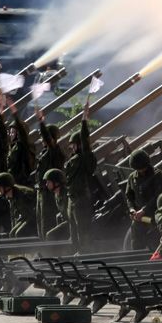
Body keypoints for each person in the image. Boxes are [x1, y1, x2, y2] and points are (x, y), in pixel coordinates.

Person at [64, 101, 95, 251]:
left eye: (75, 144)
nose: (72, 147)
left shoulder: (86, 157)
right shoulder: (74, 159)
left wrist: (84, 119)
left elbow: (85, 140)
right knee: (73, 230)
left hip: (81, 199)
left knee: (83, 230)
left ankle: (84, 253)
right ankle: (75, 251)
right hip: (73, 198)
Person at [34, 108, 65, 238]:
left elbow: (48, 139)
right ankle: (42, 248)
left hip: (49, 192)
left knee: (47, 222)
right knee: (40, 221)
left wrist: (41, 122)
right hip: (42, 191)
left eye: (44, 137)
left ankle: (48, 250)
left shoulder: (55, 152)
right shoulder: (46, 152)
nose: (42, 139)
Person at [124, 150, 162, 251]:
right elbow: (129, 196)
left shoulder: (157, 175)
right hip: (139, 218)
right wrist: (132, 209)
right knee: (136, 243)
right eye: (138, 169)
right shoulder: (132, 177)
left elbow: (158, 196)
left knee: (155, 243)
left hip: (154, 217)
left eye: (143, 168)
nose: (141, 171)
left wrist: (144, 210)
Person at [0, 172, 36, 238]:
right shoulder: (10, 195)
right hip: (25, 218)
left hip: (33, 221)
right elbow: (14, 215)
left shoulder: (24, 195)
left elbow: (33, 215)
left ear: (6, 186)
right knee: (12, 234)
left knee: (19, 233)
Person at [6, 99, 37, 185]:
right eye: (10, 132)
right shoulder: (15, 146)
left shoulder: (22, 146)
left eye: (13, 132)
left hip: (21, 181)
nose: (11, 135)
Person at [42, 168, 69, 239]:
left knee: (50, 235)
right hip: (66, 221)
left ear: (56, 182)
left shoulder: (67, 193)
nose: (46, 184)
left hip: (72, 223)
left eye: (48, 182)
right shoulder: (56, 194)